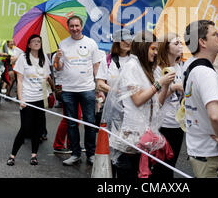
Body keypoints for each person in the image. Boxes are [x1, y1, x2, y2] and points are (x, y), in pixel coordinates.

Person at [103, 30, 176, 179]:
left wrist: (166, 85)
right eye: (153, 48)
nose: (156, 52)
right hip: (131, 136)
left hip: (145, 137)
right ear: (143, 47)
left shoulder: (150, 69)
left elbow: (157, 104)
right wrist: (159, 83)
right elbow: (137, 100)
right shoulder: (131, 66)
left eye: (156, 49)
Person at [54, 15, 103, 166]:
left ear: (81, 27)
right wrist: (57, 58)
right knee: (72, 124)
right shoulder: (63, 44)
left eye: (77, 26)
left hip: (87, 89)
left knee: (89, 122)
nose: (75, 28)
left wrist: (98, 88)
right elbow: (58, 68)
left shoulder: (91, 43)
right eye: (72, 26)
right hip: (68, 90)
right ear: (68, 27)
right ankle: (75, 154)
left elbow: (96, 67)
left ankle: (91, 154)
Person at [182, 20, 218, 178]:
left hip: (203, 151)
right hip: (212, 153)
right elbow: (215, 115)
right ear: (202, 42)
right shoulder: (205, 73)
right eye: (215, 34)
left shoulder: (195, 68)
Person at [6, 35, 52, 166]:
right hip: (27, 98)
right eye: (34, 42)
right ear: (29, 45)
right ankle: (12, 155)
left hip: (41, 98)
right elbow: (19, 80)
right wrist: (21, 99)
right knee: (25, 128)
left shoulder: (44, 59)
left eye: (39, 41)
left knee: (37, 129)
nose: (37, 43)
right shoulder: (23, 59)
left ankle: (34, 155)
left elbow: (47, 77)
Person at [151, 33, 184, 178]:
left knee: (171, 165)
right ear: (166, 47)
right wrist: (173, 87)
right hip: (162, 123)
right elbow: (156, 100)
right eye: (176, 43)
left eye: (181, 43)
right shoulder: (157, 69)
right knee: (160, 167)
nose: (180, 46)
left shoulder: (180, 66)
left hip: (178, 123)